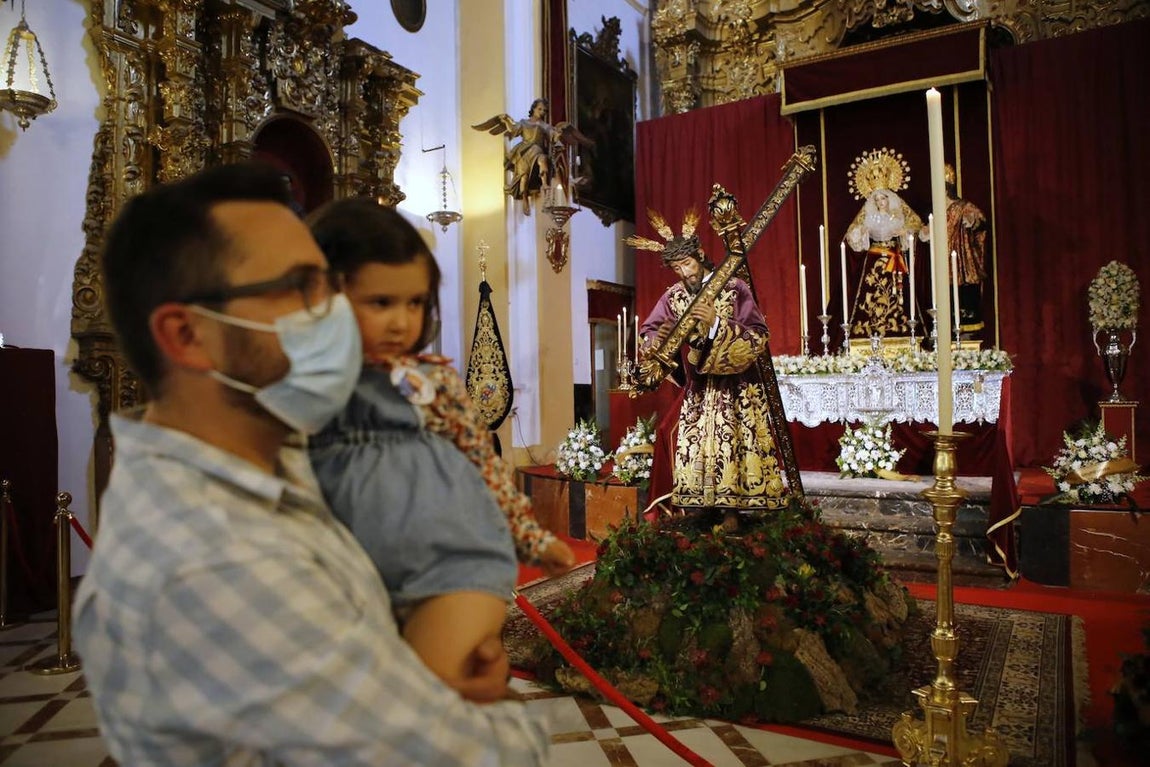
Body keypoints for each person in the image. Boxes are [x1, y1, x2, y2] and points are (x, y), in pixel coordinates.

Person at [72, 162, 549, 766]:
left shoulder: (280, 458)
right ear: (188, 334)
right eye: (300, 288)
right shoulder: (211, 559)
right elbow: (468, 758)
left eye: (331, 283)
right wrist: (487, 706)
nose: (337, 315)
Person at [305, 198, 576, 686]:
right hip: (338, 569)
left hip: (443, 561)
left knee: (436, 685)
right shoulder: (310, 382)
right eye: (380, 303)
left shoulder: (433, 383)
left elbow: (483, 466)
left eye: (414, 303)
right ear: (323, 294)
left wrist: (531, 539)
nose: (401, 322)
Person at [629, 209, 789, 528]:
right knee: (699, 446)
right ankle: (704, 506)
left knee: (734, 445)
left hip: (735, 388)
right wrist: (654, 340)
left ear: (700, 256)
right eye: (676, 268)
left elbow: (757, 333)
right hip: (700, 389)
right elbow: (650, 329)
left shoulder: (733, 287)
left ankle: (732, 511)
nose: (684, 273)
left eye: (687, 264)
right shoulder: (673, 296)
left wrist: (716, 324)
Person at [844, 186, 924, 338]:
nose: (881, 202)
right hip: (874, 259)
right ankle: (870, 328)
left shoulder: (898, 218)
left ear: (889, 199)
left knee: (899, 292)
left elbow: (910, 235)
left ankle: (901, 328)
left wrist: (903, 233)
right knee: (871, 290)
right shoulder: (870, 218)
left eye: (883, 198)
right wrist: (861, 232)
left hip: (894, 257)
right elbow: (854, 235)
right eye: (877, 200)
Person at [944, 164, 988, 334]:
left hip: (962, 261)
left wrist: (972, 222)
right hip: (943, 261)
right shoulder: (937, 210)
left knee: (965, 296)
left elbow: (981, 221)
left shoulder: (963, 206)